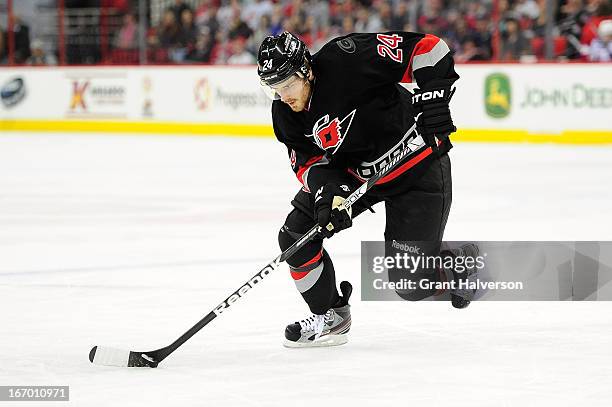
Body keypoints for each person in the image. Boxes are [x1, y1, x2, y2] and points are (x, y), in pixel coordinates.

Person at [257, 31, 478, 348]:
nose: (283, 95)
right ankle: (331, 317)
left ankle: (455, 265)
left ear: (306, 68)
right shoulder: (286, 115)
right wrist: (327, 195)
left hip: (418, 165)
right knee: (295, 236)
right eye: (274, 88)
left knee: (410, 285)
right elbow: (310, 166)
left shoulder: (348, 58)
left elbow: (427, 47)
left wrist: (433, 97)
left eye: (287, 83)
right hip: (357, 176)